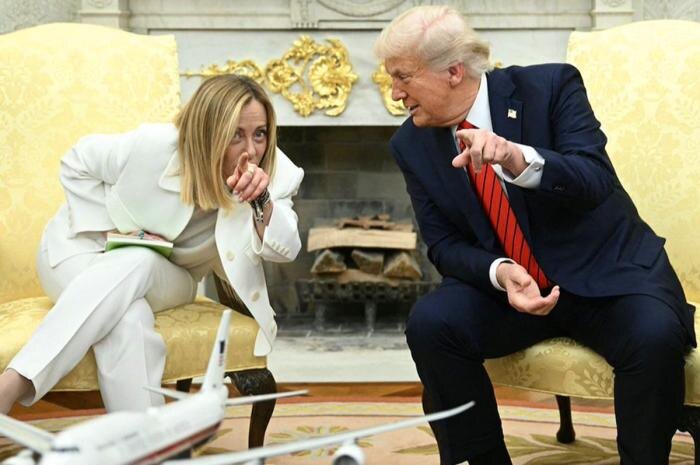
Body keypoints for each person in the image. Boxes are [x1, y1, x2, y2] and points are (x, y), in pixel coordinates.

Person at [374, 6, 695, 465]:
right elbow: (442, 245)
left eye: (403, 76)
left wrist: (516, 158)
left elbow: (594, 179)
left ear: (453, 71)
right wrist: (501, 271)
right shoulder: (411, 144)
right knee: (431, 324)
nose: (395, 92)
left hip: (605, 275)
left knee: (654, 335)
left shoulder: (551, 87)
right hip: (515, 292)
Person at [0, 74, 304, 414]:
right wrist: (110, 231)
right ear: (209, 131)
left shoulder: (276, 173)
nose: (252, 150)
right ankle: (145, 437)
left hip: (169, 277)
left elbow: (286, 248)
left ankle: (13, 383)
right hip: (77, 253)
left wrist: (261, 200)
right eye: (236, 134)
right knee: (128, 319)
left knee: (140, 260)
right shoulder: (153, 146)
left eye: (259, 133)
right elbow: (77, 160)